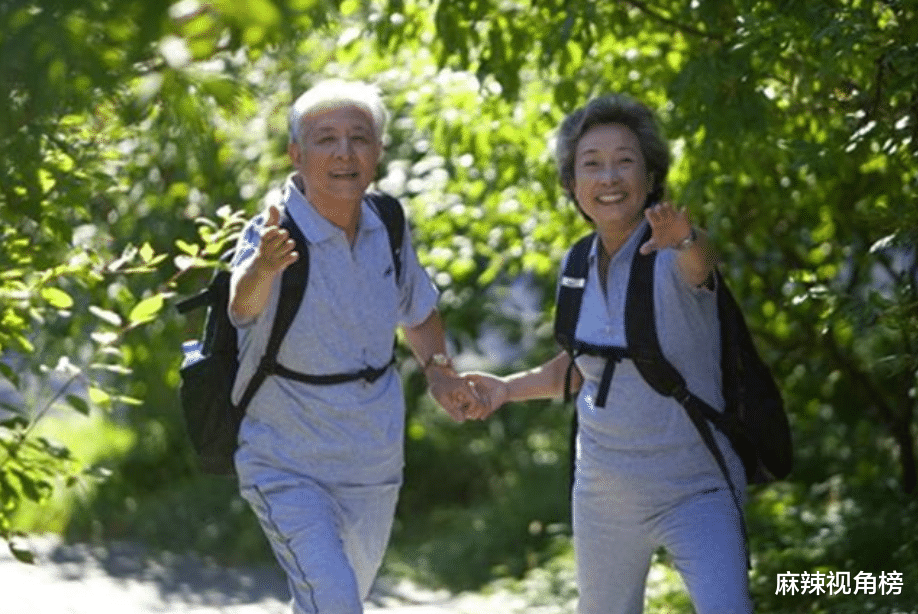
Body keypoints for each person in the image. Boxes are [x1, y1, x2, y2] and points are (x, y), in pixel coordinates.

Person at [465, 94, 754, 614]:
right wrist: (507, 389)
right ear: (573, 185)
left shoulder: (670, 251)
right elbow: (587, 369)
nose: (608, 176)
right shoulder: (576, 262)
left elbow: (701, 264)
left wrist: (686, 240)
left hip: (697, 486)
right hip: (603, 491)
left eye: (625, 160)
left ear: (650, 176)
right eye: (591, 164)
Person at [227, 79, 483, 614]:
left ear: (378, 151)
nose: (344, 153)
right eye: (325, 139)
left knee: (333, 600)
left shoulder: (387, 221)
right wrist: (264, 267)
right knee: (337, 602)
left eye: (359, 138)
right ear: (296, 154)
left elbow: (419, 310)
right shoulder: (273, 232)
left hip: (373, 460)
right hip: (285, 460)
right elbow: (242, 308)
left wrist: (439, 372)